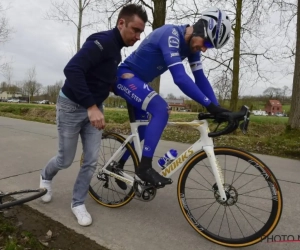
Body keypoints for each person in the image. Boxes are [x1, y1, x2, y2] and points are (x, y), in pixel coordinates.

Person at [39, 4, 148, 227]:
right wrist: (91, 106)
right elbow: (72, 69)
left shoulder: (116, 51)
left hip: (94, 108)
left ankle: (77, 203)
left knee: (90, 161)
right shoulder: (103, 42)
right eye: (135, 30)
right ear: (121, 23)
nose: (137, 37)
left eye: (140, 33)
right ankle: (45, 177)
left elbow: (98, 75)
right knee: (65, 159)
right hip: (72, 107)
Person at [113, 7, 231, 187]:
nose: (204, 50)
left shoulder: (192, 49)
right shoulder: (171, 34)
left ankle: (117, 166)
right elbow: (180, 78)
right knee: (161, 109)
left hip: (140, 83)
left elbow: (200, 78)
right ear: (200, 28)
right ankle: (144, 167)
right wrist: (209, 105)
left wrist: (218, 108)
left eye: (209, 47)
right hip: (125, 76)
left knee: (143, 129)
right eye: (206, 44)